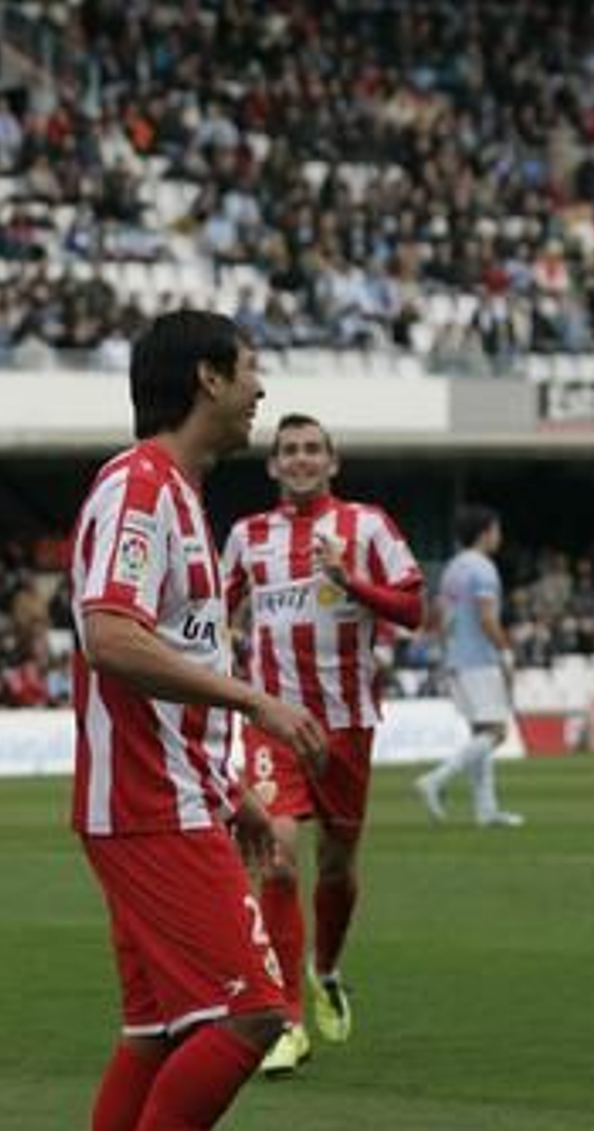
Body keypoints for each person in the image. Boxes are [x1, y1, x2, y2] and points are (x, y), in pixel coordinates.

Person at [46, 309, 328, 1131]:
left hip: (175, 787)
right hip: (143, 799)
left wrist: (236, 788)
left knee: (158, 1031)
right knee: (254, 1009)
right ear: (207, 379)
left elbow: (158, 667)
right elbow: (109, 634)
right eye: (251, 371)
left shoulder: (183, 500)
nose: (260, 392)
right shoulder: (138, 487)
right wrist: (250, 705)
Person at [222, 413, 424, 1052]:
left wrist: (350, 582)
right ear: (273, 465)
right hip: (273, 721)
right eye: (290, 451)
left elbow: (414, 610)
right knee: (277, 858)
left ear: (333, 462)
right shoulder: (247, 537)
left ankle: (325, 971)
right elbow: (217, 618)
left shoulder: (368, 526)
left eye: (313, 450)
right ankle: (286, 1021)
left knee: (336, 863)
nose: (302, 459)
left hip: (346, 726)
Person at [415, 504, 524, 826]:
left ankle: (486, 809)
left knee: (480, 731)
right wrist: (506, 651)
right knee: (497, 732)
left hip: (455, 660)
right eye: (497, 529)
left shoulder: (452, 569)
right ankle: (435, 780)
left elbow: (438, 617)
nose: (499, 536)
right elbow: (487, 617)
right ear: (486, 532)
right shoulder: (483, 569)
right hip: (480, 660)